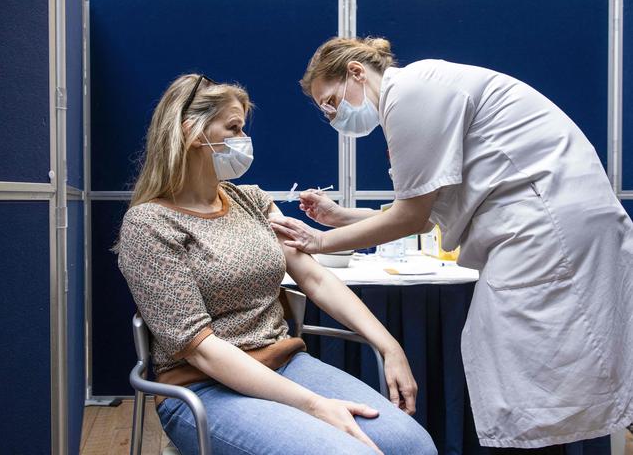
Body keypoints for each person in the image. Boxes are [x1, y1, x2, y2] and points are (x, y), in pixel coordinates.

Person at [270, 37, 633, 453]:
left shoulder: (409, 93)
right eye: (324, 111)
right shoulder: (418, 90)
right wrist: (341, 217)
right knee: (534, 368)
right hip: (546, 223)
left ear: (355, 72)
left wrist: (321, 240)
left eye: (331, 101)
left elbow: (410, 216)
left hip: (548, 228)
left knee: (534, 369)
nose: (333, 116)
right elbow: (425, 213)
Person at [115, 73, 437, 455]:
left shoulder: (251, 200)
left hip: (285, 364)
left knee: (414, 446)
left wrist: (389, 346)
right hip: (202, 388)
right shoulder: (149, 224)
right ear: (192, 133)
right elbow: (200, 349)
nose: (243, 139)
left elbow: (314, 278)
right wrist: (314, 405)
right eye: (233, 127)